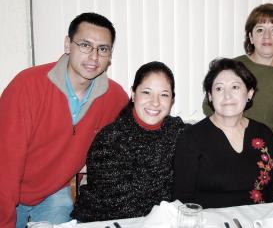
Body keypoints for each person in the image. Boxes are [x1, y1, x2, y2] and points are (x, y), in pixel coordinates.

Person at [0, 12, 128, 228]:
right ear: (68, 44)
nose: (94, 57)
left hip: (53, 192)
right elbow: (5, 164)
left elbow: (137, 132)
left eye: (103, 49)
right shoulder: (27, 86)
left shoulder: (114, 97)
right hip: (7, 192)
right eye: (85, 45)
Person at [71, 61, 187, 222]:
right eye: (147, 92)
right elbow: (121, 207)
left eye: (164, 94)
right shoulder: (111, 139)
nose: (155, 102)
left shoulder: (177, 131)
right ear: (133, 94)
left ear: (172, 100)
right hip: (105, 221)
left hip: (159, 220)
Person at [174, 58, 273, 208]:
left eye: (235, 87)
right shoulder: (191, 138)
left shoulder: (263, 133)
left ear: (249, 93)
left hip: (258, 219)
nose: (227, 96)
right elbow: (182, 199)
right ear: (210, 96)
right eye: (219, 89)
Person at [202, 3, 273, 144]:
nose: (266, 36)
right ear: (251, 36)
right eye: (260, 30)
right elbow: (208, 106)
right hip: (231, 145)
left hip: (270, 149)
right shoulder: (232, 68)